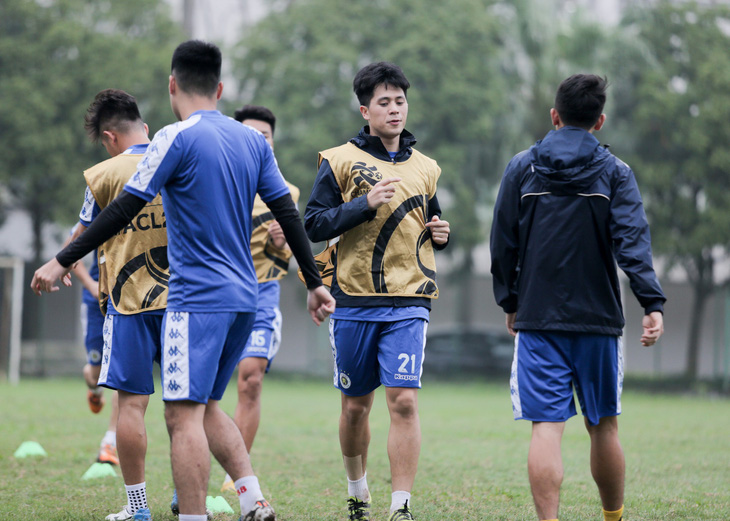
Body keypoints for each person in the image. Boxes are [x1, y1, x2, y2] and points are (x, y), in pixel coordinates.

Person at [31, 40, 334, 521]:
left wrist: (62, 260)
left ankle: (192, 516)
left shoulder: (175, 137)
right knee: (210, 405)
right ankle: (253, 499)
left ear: (172, 85)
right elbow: (287, 212)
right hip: (244, 297)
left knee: (181, 414)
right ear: (219, 87)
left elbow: (125, 207)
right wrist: (315, 281)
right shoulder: (253, 141)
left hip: (196, 300)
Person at [489, 74, 666, 521]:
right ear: (599, 121)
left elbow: (502, 243)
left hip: (538, 320)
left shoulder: (521, 167)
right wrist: (652, 304)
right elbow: (633, 243)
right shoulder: (616, 173)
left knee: (546, 428)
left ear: (555, 116)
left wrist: (510, 301)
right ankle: (613, 517)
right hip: (599, 321)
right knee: (603, 424)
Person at [304, 61, 450, 521]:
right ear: (365, 110)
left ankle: (401, 506)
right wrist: (361, 205)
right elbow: (313, 225)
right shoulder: (339, 160)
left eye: (400, 101)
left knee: (403, 401)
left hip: (409, 301)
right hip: (351, 300)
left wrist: (444, 233)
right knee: (355, 408)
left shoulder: (427, 168)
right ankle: (356, 489)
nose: (394, 109)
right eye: (384, 102)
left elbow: (429, 224)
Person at [70, 89, 166, 521]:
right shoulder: (177, 161)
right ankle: (190, 500)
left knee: (131, 405)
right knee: (194, 408)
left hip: (129, 304)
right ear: (144, 128)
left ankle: (138, 508)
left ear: (109, 137)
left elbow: (79, 240)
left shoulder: (106, 174)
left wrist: (59, 266)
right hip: (185, 303)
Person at [219, 105, 300, 493]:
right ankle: (197, 466)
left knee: (249, 380)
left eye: (263, 135)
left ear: (272, 140)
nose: (257, 141)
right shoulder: (214, 183)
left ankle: (233, 478)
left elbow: (286, 259)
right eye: (249, 134)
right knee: (206, 389)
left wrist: (280, 243)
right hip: (216, 292)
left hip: (262, 294)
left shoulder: (286, 193)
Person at [71, 251, 120, 466]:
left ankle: (110, 441)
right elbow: (71, 251)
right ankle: (94, 389)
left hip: (126, 302)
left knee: (123, 373)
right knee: (94, 373)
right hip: (94, 303)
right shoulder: (94, 217)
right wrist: (92, 285)